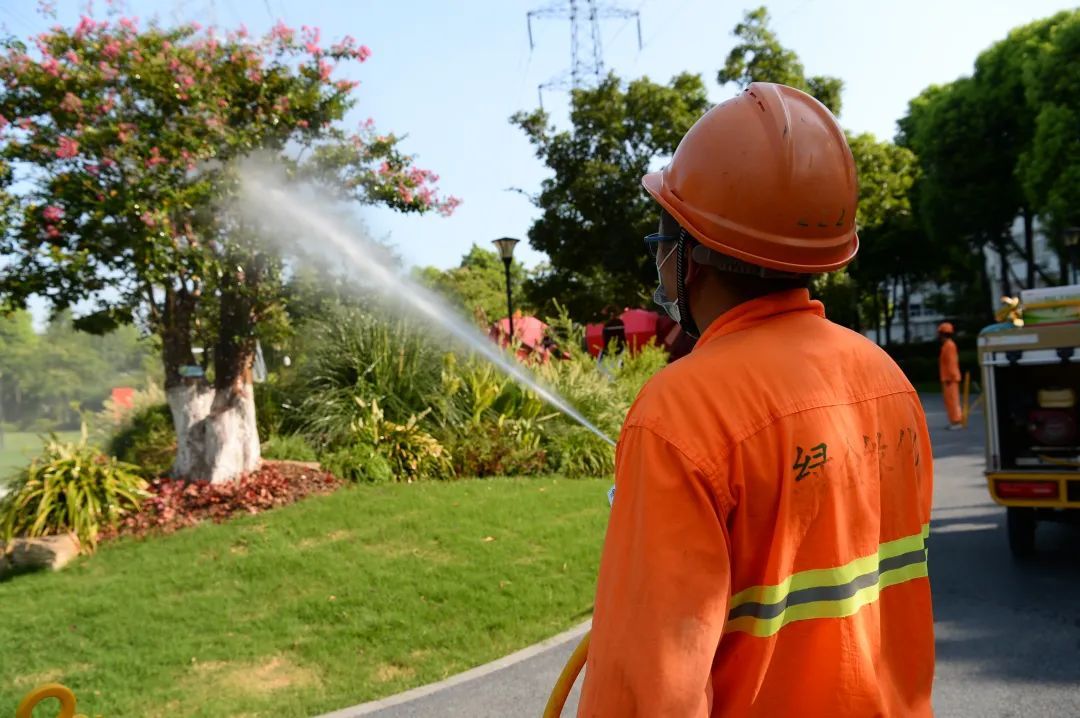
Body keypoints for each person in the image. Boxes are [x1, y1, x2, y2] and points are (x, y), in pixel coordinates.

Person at [578, 83, 935, 717]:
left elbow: (650, 691)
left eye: (666, 233)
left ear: (691, 256)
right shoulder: (888, 380)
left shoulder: (682, 412)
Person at [938, 322, 964, 430]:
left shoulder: (949, 345)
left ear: (943, 334)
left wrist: (950, 377)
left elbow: (951, 362)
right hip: (948, 378)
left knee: (953, 400)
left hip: (950, 378)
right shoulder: (947, 345)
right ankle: (954, 421)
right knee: (950, 400)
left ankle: (956, 421)